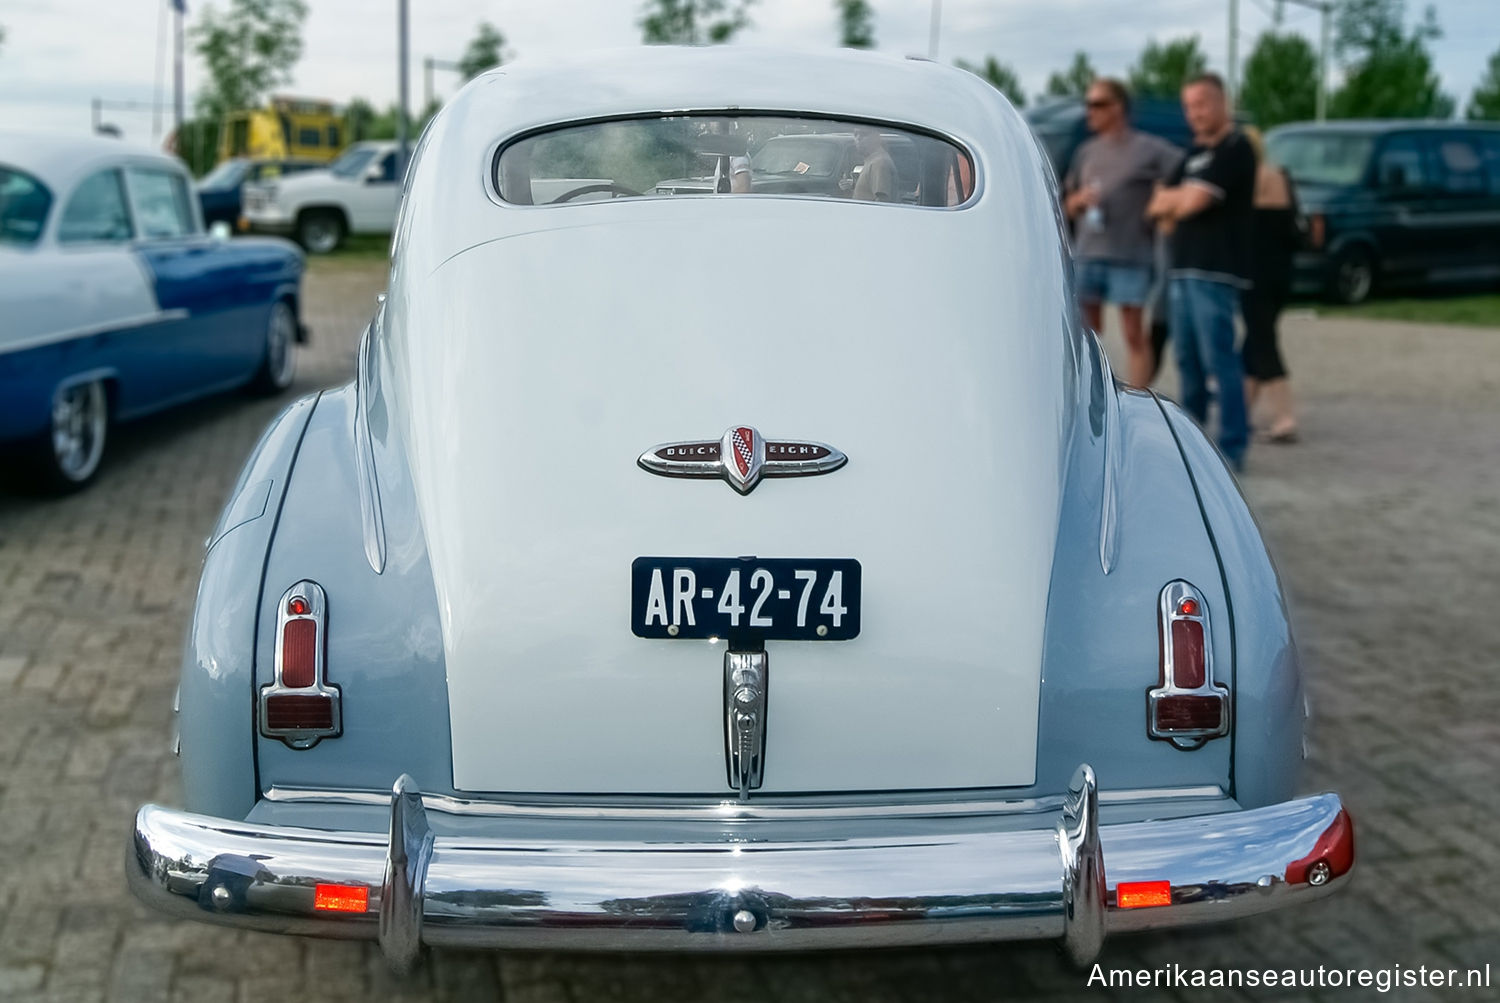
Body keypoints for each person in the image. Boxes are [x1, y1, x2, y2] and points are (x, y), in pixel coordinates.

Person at [1146, 72, 1257, 471]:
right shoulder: (1190, 155)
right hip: (1180, 270)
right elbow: (1156, 207)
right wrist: (1178, 200)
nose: (1195, 113)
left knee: (1220, 361)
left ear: (1222, 102)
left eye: (1202, 104)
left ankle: (1232, 448)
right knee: (1188, 362)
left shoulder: (1236, 149)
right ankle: (1193, 445)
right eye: (1189, 106)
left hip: (1216, 272)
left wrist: (1178, 201)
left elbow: (1190, 204)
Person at [1062, 78, 1183, 388]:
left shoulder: (1148, 148)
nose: (1090, 111)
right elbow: (1069, 199)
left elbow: (1185, 169)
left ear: (1119, 108)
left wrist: (1163, 201)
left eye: (1098, 104)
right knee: (1087, 334)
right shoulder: (1086, 151)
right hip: (1089, 251)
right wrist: (1077, 201)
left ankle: (1139, 399)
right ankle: (1090, 393)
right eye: (1087, 104)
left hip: (1131, 254)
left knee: (1133, 333)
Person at [1241, 125, 1301, 442]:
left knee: (1263, 341)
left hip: (1256, 273)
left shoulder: (1251, 180)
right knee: (1253, 342)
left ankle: (1285, 416)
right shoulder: (1280, 176)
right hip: (1281, 273)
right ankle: (1241, 413)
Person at [853, 128, 897, 202]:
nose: (858, 138)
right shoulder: (871, 160)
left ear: (876, 138)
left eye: (864, 134)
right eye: (855, 134)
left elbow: (882, 201)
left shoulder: (880, 163)